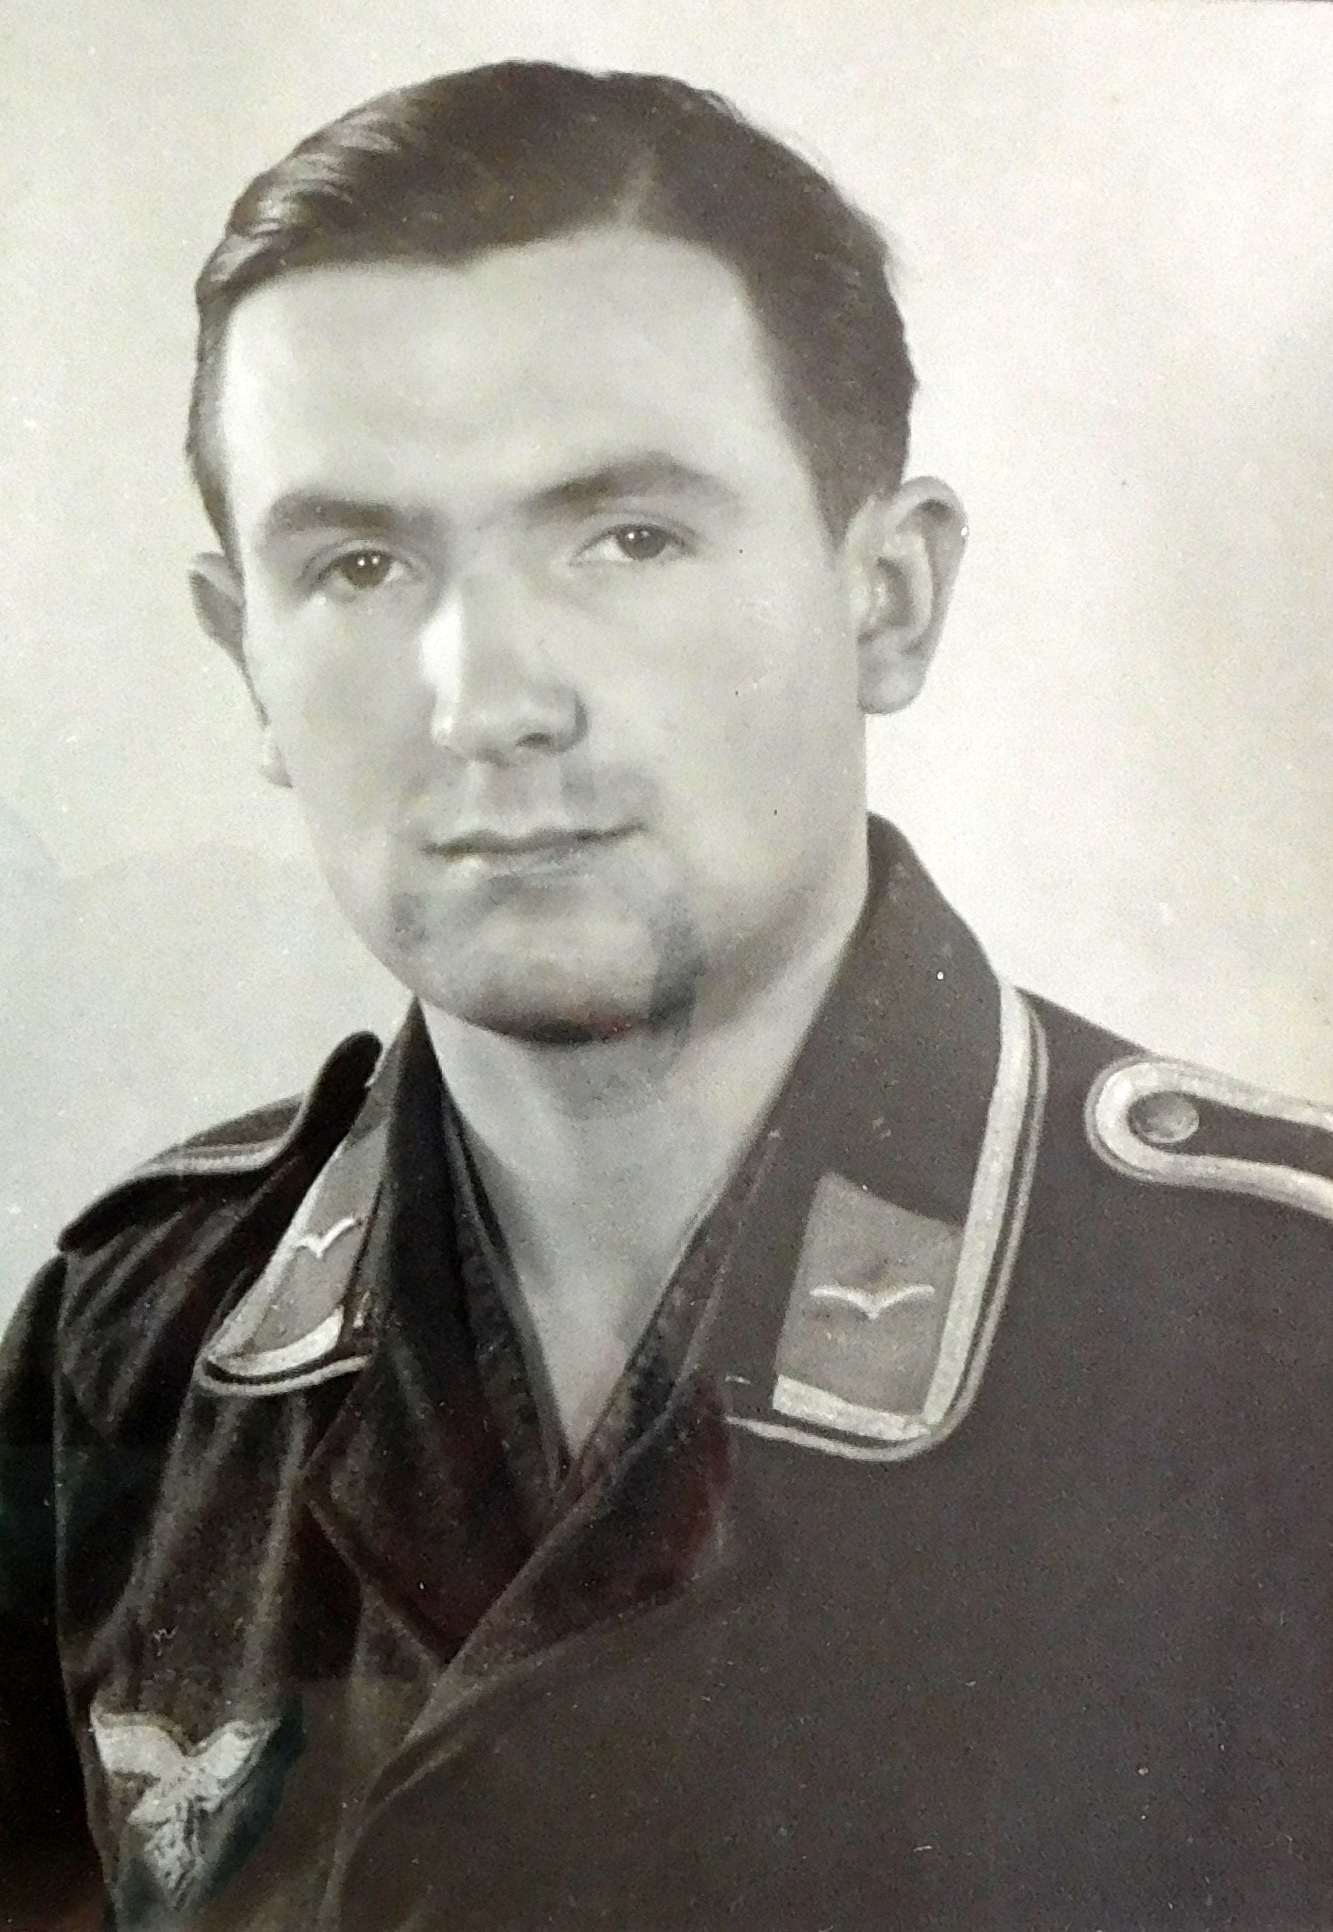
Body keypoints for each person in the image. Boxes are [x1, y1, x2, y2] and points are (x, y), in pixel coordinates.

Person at [4, 59, 1333, 1932]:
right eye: (359, 563)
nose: (487, 699)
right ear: (247, 662)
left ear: (888, 599)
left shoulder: (1279, 1336)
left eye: (626, 538)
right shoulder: (132, 1346)